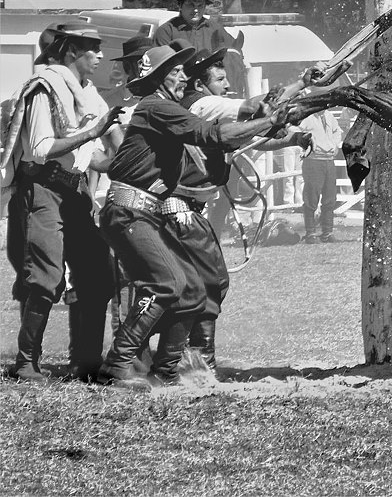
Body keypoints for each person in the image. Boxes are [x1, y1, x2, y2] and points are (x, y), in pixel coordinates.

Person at [96, 45, 291, 388]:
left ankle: (168, 369)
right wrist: (269, 119)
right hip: (129, 212)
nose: (184, 75)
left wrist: (263, 122)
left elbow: (215, 139)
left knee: (194, 291)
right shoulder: (157, 108)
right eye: (174, 71)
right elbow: (213, 136)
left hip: (142, 212)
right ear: (157, 78)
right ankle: (118, 363)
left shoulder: (162, 108)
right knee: (168, 285)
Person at [2, 21, 123, 381]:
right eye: (92, 48)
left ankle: (85, 363)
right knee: (45, 279)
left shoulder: (91, 94)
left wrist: (128, 152)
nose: (100, 54)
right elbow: (40, 150)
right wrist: (93, 131)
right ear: (70, 50)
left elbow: (97, 156)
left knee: (98, 277)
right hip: (40, 188)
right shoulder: (45, 88)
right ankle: (26, 363)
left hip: (76, 190)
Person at [298, 108, 344, 243]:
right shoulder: (307, 117)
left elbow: (337, 132)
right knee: (311, 198)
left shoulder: (329, 116)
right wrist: (311, 147)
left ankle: (327, 232)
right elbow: (297, 133)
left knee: (330, 199)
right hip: (313, 161)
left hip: (329, 161)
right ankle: (310, 233)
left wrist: (335, 146)